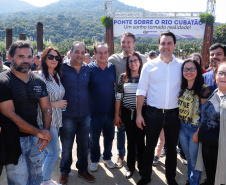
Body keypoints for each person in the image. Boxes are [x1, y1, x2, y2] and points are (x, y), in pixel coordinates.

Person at [0, 40, 52, 185]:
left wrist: (45, 132)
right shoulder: (3, 82)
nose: (26, 60)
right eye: (21, 56)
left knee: (36, 176)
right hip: (12, 140)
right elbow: (9, 114)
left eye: (29, 57)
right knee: (18, 180)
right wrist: (39, 132)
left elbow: (46, 107)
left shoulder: (38, 81)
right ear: (10, 58)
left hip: (35, 140)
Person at [136, 31, 183, 185]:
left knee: (171, 149)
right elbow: (141, 91)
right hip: (153, 113)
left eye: (169, 43)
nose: (166, 46)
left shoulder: (182, 66)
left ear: (174, 45)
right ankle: (146, 176)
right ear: (159, 45)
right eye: (163, 43)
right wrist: (138, 114)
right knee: (149, 147)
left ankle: (171, 178)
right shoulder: (149, 66)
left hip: (174, 114)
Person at [108, 32, 147, 168]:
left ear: (134, 43)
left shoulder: (143, 58)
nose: (125, 45)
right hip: (123, 103)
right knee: (121, 131)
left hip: (141, 107)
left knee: (139, 136)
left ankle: (137, 157)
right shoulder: (114, 58)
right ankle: (121, 155)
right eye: (123, 42)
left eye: (128, 42)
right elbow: (101, 65)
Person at [59, 41, 95, 184]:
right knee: (67, 146)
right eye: (77, 52)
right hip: (67, 114)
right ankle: (64, 171)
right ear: (71, 52)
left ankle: (82, 170)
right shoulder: (61, 69)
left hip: (85, 114)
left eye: (82, 52)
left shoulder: (88, 69)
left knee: (83, 145)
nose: (80, 55)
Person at [178, 59, 211, 185]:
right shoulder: (182, 86)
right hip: (182, 127)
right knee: (188, 157)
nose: (188, 72)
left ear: (198, 70)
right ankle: (191, 179)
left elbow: (205, 114)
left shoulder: (203, 89)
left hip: (195, 129)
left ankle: (193, 182)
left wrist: (198, 132)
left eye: (192, 69)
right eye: (185, 69)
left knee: (194, 160)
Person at [37, 47, 67, 185]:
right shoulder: (40, 76)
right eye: (51, 57)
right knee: (54, 152)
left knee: (46, 151)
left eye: (57, 58)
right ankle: (45, 181)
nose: (54, 60)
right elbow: (36, 101)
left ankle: (42, 178)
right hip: (45, 120)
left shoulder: (56, 74)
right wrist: (56, 103)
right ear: (44, 58)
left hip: (56, 118)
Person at [114, 52, 146, 178]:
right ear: (127, 63)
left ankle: (142, 167)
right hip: (127, 112)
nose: (133, 63)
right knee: (130, 140)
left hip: (142, 113)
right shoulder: (123, 77)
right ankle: (131, 167)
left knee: (141, 141)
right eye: (130, 61)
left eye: (135, 60)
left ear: (140, 62)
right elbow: (118, 97)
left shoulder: (145, 76)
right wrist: (117, 115)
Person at [89, 43, 116, 172]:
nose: (103, 55)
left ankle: (107, 157)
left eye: (105, 52)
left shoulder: (112, 68)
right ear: (95, 54)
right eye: (100, 52)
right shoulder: (89, 69)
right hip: (94, 111)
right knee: (94, 138)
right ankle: (95, 160)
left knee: (109, 137)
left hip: (110, 110)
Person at [198, 62, 226, 185]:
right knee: (210, 175)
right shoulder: (215, 93)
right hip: (206, 146)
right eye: (221, 73)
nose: (224, 77)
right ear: (215, 75)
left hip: (220, 149)